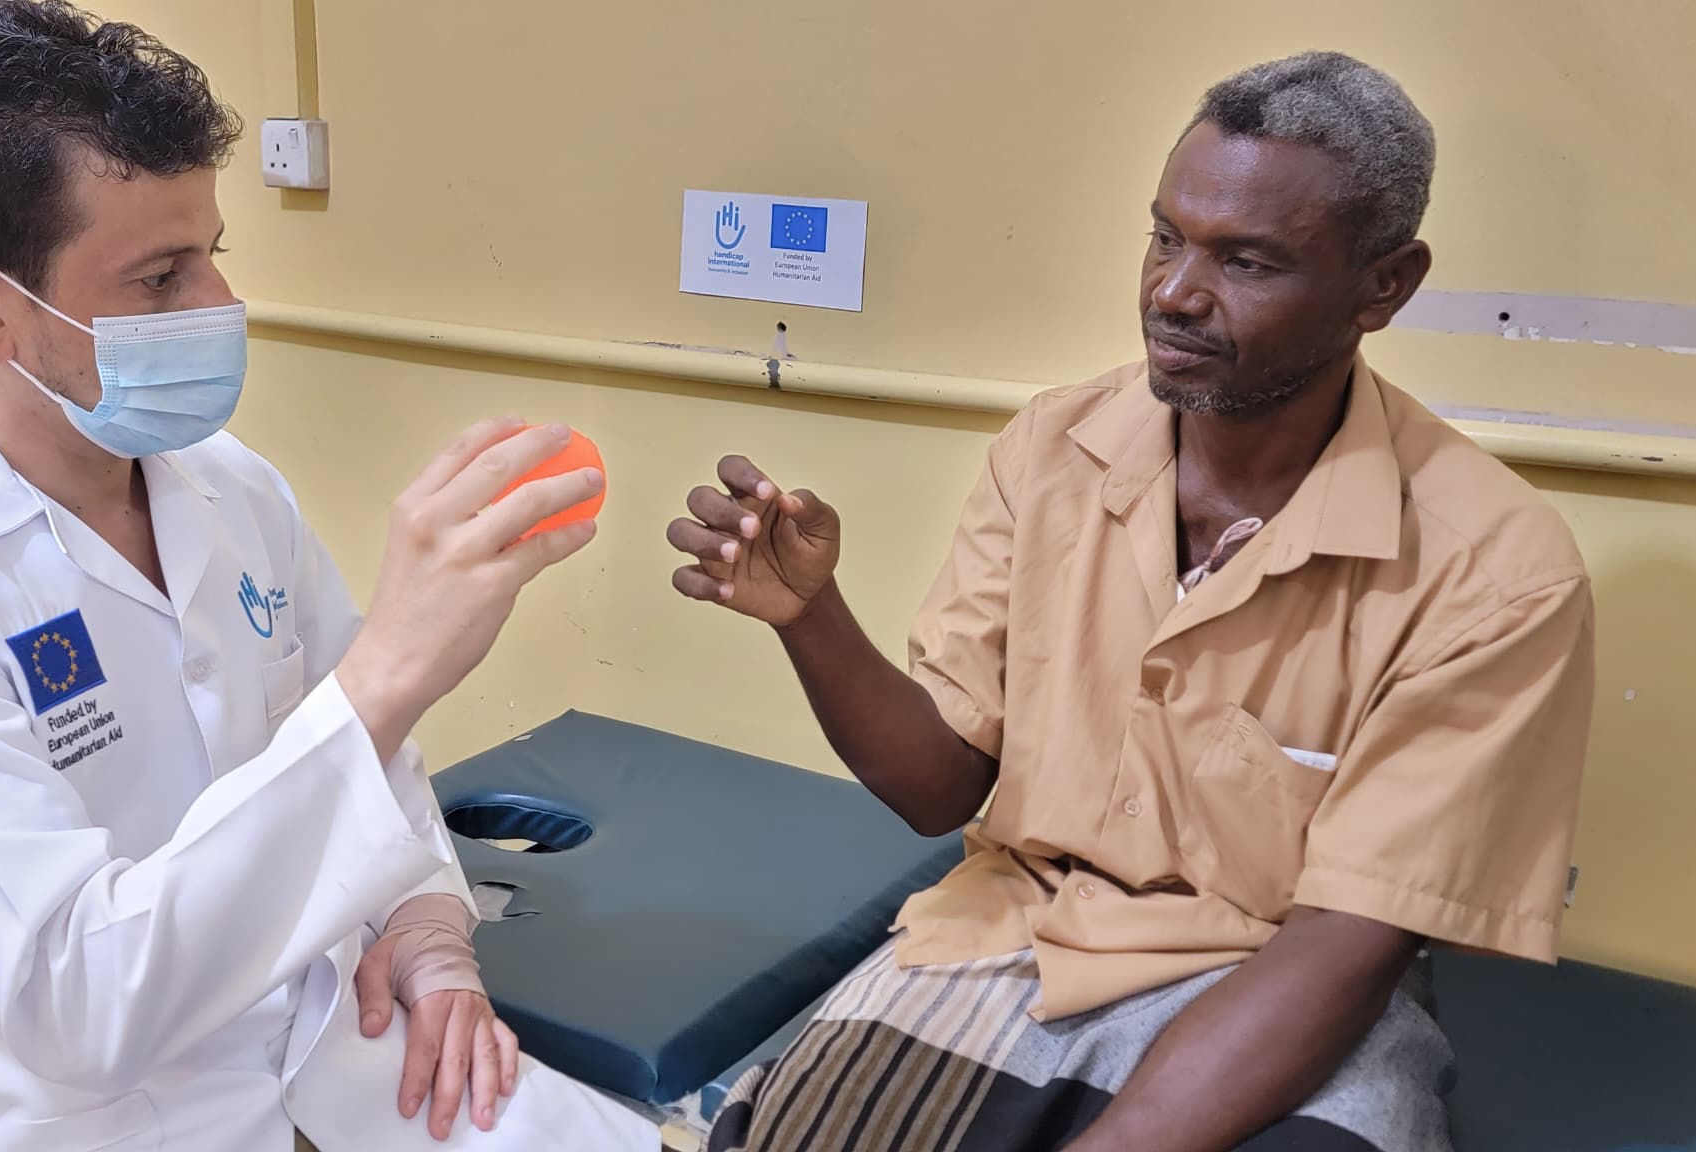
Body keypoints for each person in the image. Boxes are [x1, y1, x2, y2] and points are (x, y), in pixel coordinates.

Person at [0, 3, 656, 1148]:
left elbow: (359, 753)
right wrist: (392, 671)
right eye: (161, 278)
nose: (218, 310)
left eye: (212, 256)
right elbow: (81, 1005)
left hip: (323, 1040)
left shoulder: (225, 485)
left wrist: (424, 928)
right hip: (69, 1118)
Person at [669, 52, 1593, 1152]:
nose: (1172, 292)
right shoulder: (1050, 451)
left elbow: (1350, 938)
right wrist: (808, 618)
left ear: (1383, 285)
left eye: (1245, 261)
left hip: (1278, 980)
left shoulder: (1494, 567)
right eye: (1165, 237)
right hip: (1011, 929)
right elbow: (940, 788)